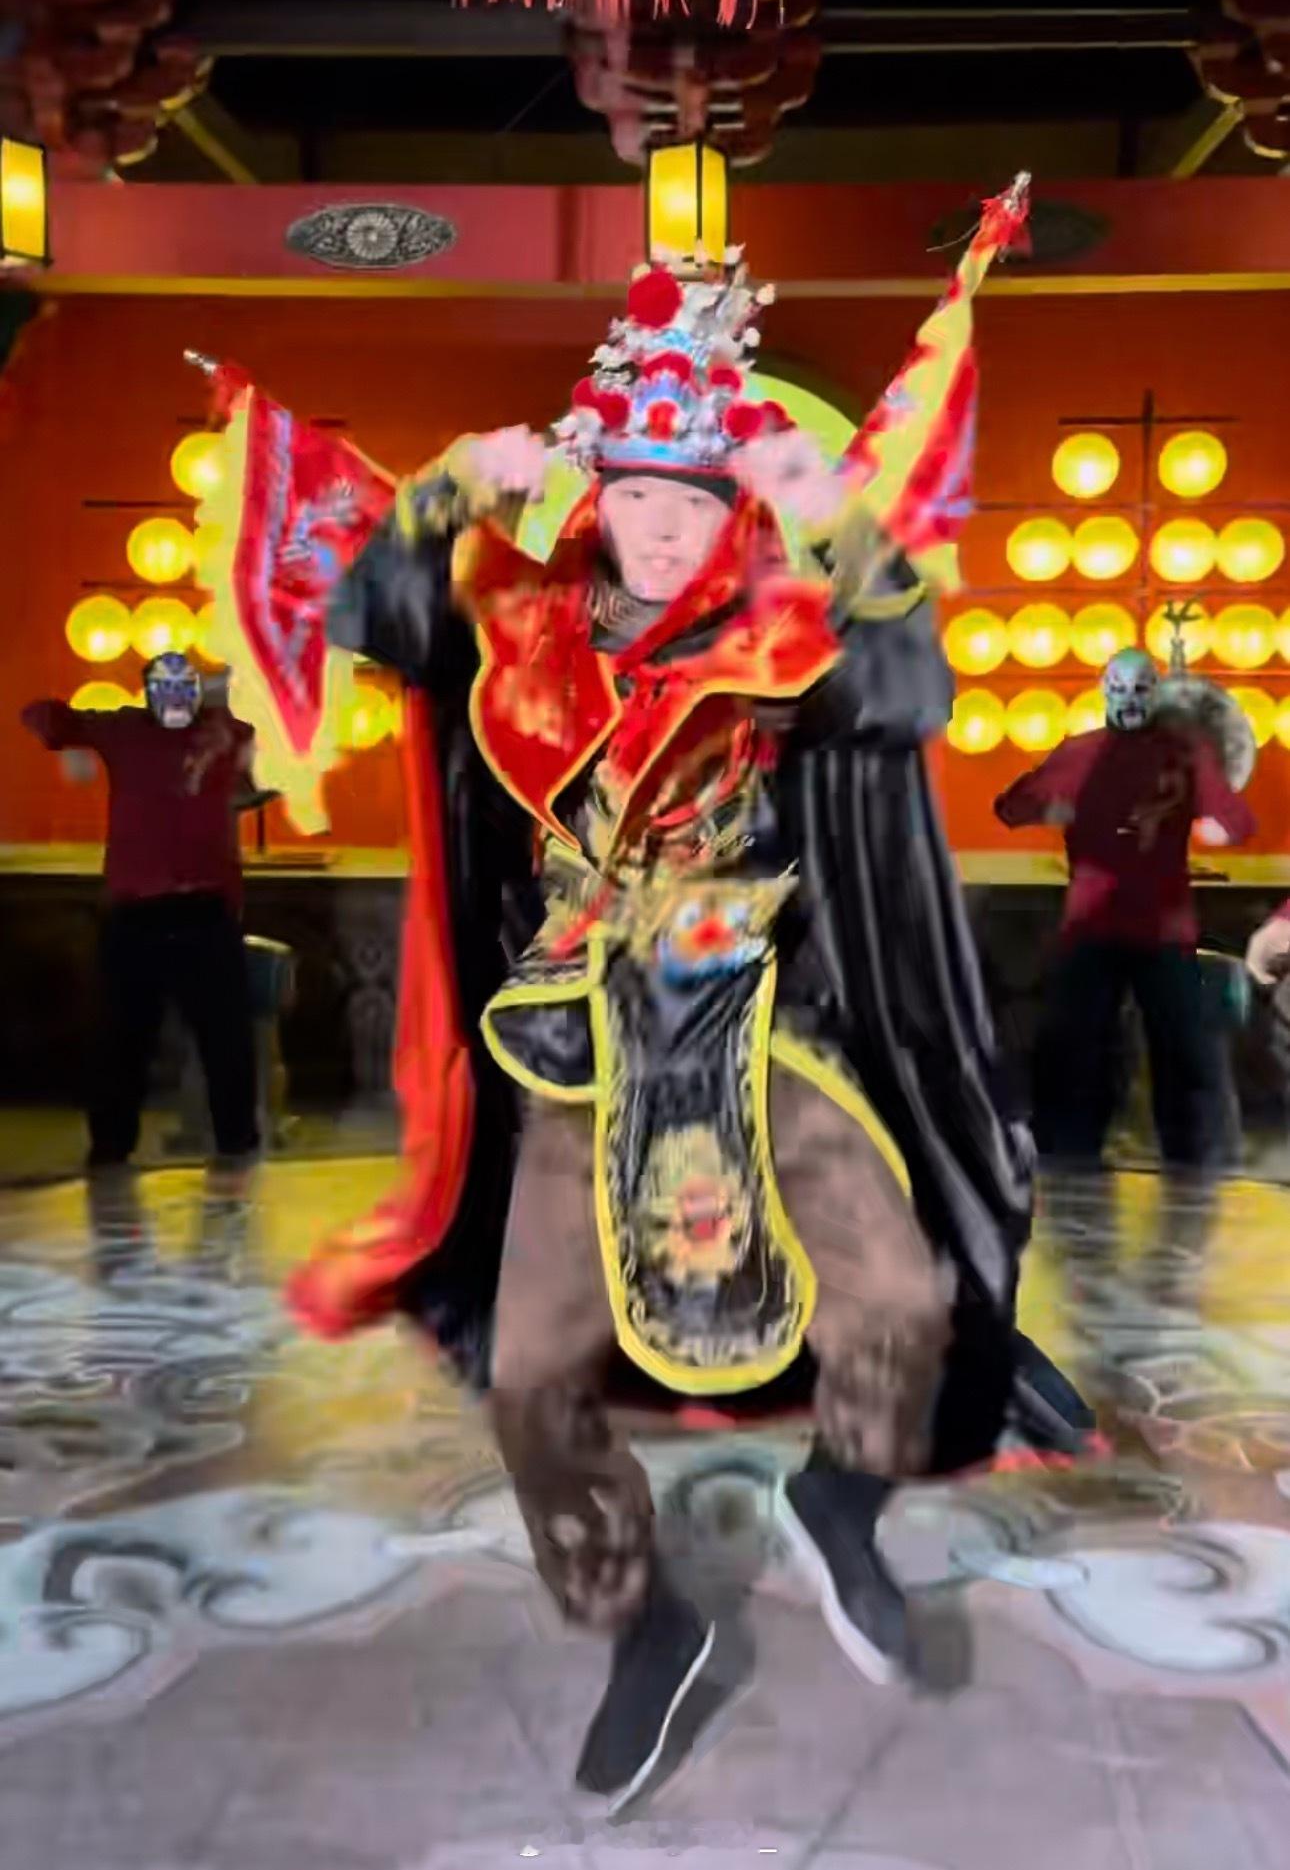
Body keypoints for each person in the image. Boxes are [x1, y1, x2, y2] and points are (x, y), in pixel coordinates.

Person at [195, 182, 1090, 1810]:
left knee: (901, 1301)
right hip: (580, 1041)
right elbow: (374, 612)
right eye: (635, 494)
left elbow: (908, 690)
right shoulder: (522, 624)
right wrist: (455, 482)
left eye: (690, 497)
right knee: (532, 1379)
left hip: (764, 1022)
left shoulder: (783, 631)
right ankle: (640, 1618)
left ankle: (840, 1506)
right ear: (598, 494)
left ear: (724, 502)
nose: (664, 524)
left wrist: (840, 515)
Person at [995, 646, 1254, 1175]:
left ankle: (1094, 1158)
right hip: (1118, 926)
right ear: (1104, 692)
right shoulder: (1102, 753)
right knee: (1106, 1049)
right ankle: (1094, 1160)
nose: (1131, 700)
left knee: (1158, 1051)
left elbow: (1236, 822)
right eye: (1121, 689)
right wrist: (1048, 807)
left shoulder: (1177, 754)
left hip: (1143, 927)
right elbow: (1012, 805)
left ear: (1155, 693)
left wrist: (1049, 809)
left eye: (1140, 689)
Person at [21, 651, 261, 1184]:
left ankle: (238, 1147)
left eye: (184, 687)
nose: (174, 698)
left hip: (204, 908)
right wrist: (73, 735)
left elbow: (283, 731)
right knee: (121, 1040)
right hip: (137, 912)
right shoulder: (123, 728)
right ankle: (109, 1153)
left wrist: (225, 692)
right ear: (148, 694)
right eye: (164, 688)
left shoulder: (226, 730)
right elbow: (42, 716)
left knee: (226, 1038)